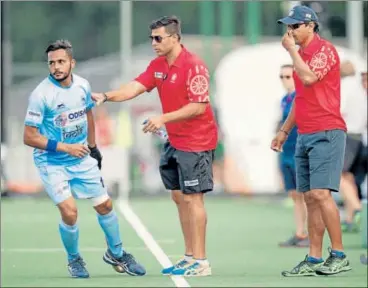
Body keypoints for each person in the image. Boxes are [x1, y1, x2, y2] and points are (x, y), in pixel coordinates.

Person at [92, 16, 218, 277]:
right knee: (178, 197)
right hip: (174, 140)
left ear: (175, 38)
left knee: (194, 198)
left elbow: (199, 106)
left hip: (196, 141)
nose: (153, 43)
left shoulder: (194, 66)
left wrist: (162, 118)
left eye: (158, 38)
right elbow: (134, 88)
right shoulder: (158, 65)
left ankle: (202, 262)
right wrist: (106, 96)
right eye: (151, 38)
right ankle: (189, 256)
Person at [23, 40, 145, 278]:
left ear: (72, 62)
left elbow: (89, 113)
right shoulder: (41, 95)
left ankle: (116, 254)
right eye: (51, 63)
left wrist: (93, 146)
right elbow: (29, 137)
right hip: (52, 162)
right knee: (70, 212)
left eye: (61, 61)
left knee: (105, 205)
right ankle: (74, 259)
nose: (56, 67)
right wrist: (65, 147)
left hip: (80, 156)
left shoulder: (82, 86)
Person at [272, 6, 352, 276]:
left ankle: (339, 254)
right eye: (289, 26)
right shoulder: (302, 54)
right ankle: (314, 258)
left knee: (320, 193)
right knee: (309, 197)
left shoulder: (323, 50)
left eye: (295, 26)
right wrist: (284, 131)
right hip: (305, 133)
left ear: (311, 26)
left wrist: (291, 51)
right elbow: (301, 97)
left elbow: (308, 77)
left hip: (327, 130)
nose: (290, 31)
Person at [277, 64, 309, 248]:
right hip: (287, 151)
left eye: (288, 77)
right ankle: (300, 232)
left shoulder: (301, 97)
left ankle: (309, 233)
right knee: (294, 194)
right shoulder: (284, 99)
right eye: (281, 77)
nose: (284, 81)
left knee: (306, 195)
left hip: (299, 150)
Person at [339, 60, 367, 232]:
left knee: (338, 175)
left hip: (346, 135)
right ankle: (350, 218)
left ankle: (357, 208)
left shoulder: (342, 87)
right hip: (359, 137)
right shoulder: (359, 89)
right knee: (349, 177)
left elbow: (339, 111)